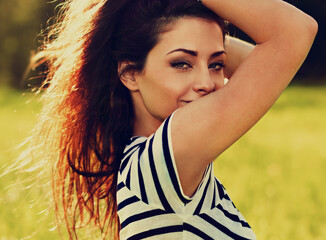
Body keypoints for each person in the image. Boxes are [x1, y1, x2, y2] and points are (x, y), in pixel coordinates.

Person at [30, 0, 317, 239]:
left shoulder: (147, 162)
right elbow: (294, 34)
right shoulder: (166, 156)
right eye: (181, 63)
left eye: (216, 64)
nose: (206, 82)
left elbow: (258, 68)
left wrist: (183, 32)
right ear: (130, 74)